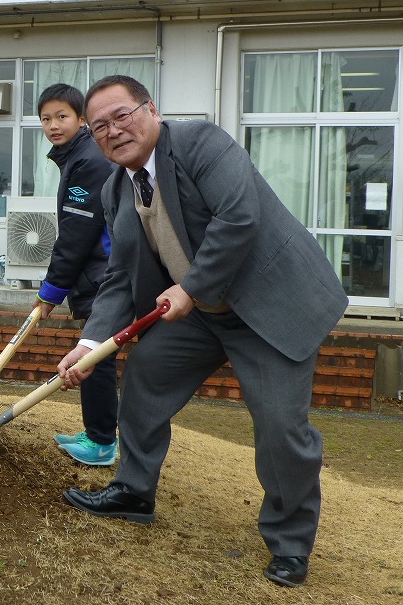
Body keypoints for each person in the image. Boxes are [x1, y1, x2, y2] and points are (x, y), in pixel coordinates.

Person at [56, 75, 347, 589]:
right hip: (202, 313)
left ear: (151, 109)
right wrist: (88, 346)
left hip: (269, 304)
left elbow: (238, 218)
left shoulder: (200, 143)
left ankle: (289, 544)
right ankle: (133, 490)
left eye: (122, 116)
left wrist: (189, 288)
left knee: (281, 427)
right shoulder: (115, 189)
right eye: (99, 126)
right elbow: (121, 277)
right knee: (145, 373)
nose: (113, 131)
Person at [32, 84, 116, 466]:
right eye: (46, 119)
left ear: (82, 119)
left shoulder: (88, 161)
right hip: (95, 273)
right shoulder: (76, 156)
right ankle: (98, 434)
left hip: (102, 275)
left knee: (94, 357)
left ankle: (101, 442)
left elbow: (76, 235)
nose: (53, 125)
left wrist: (50, 290)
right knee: (96, 355)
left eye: (62, 116)